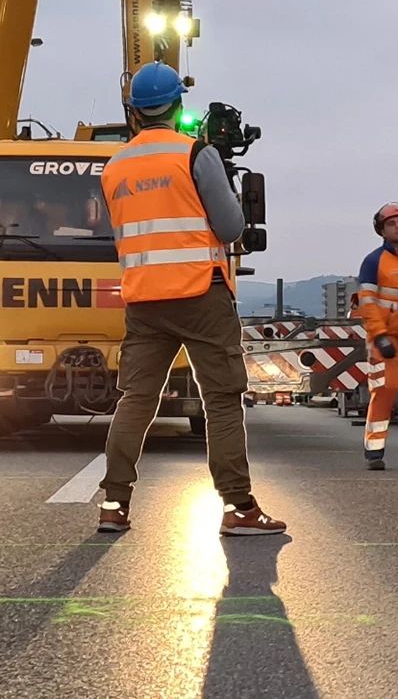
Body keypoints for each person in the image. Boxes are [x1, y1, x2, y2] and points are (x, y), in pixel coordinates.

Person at [94, 61, 285, 536]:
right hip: (201, 292)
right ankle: (239, 508)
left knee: (136, 398)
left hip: (143, 300)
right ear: (178, 104)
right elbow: (231, 226)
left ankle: (114, 504)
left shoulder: (114, 167)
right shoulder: (196, 154)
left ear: (133, 111)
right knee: (220, 400)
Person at [355, 202, 398, 470]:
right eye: (392, 223)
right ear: (382, 230)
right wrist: (379, 335)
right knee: (384, 390)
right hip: (386, 339)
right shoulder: (374, 261)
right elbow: (367, 301)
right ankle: (374, 450)